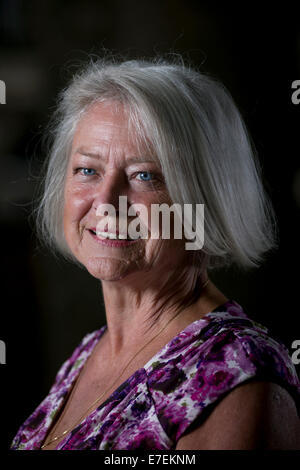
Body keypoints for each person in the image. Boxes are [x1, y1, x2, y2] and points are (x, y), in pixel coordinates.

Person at [11, 56, 300, 450]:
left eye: (144, 176)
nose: (106, 201)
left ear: (206, 199)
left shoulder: (238, 376)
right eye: (87, 170)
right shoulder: (88, 352)